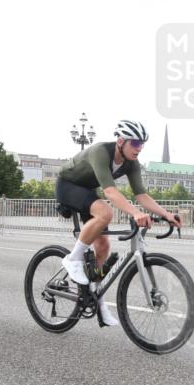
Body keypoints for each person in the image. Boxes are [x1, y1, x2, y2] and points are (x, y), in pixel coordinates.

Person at [56, 120, 183, 327]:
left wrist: (167, 214)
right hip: (67, 185)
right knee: (106, 212)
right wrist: (135, 213)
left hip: (87, 192)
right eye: (135, 143)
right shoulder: (100, 152)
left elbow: (141, 195)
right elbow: (110, 192)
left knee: (103, 246)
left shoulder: (132, 164)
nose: (139, 148)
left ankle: (98, 301)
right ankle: (73, 259)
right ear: (121, 141)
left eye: (142, 144)